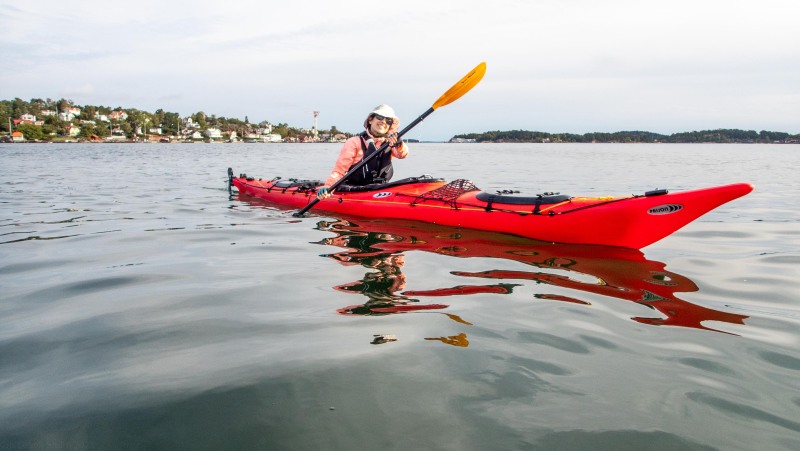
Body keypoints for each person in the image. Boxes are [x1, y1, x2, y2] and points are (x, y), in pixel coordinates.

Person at [316, 104, 409, 199]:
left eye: (388, 120)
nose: (383, 122)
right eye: (380, 117)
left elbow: (402, 155)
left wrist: (399, 143)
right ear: (370, 119)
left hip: (380, 189)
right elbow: (339, 171)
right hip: (356, 189)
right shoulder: (354, 142)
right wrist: (328, 186)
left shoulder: (391, 143)